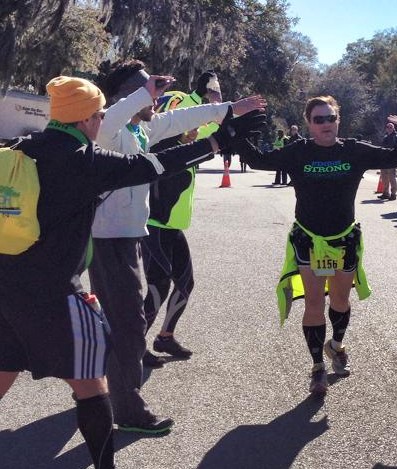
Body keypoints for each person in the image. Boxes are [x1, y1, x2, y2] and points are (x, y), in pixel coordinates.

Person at [0, 75, 248, 468]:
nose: (102, 120)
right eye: (98, 114)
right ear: (85, 120)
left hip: (7, 286)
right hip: (55, 294)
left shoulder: (21, 147)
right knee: (92, 384)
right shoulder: (84, 161)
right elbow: (150, 166)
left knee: (6, 367)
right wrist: (214, 144)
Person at [89, 59, 266, 434]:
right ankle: (127, 408)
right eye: (149, 89)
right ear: (126, 95)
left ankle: (107, 392)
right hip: (108, 242)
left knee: (125, 321)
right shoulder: (106, 130)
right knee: (128, 324)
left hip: (129, 237)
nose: (158, 96)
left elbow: (180, 121)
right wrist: (142, 90)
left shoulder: (139, 130)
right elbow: (107, 118)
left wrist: (230, 110)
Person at [236, 96, 397, 395]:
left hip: (344, 239)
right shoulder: (298, 152)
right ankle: (318, 367)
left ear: (338, 120)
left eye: (330, 118)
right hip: (309, 239)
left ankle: (336, 345)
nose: (325, 124)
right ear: (308, 123)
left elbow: (396, 157)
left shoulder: (354, 150)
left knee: (341, 301)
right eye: (318, 119)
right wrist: (236, 128)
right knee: (315, 303)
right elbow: (257, 160)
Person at [377, 122, 397, 200]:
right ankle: (385, 193)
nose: (389, 128)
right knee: (384, 177)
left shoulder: (396, 137)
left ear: (393, 128)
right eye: (387, 127)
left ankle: (393, 194)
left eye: (390, 127)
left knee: (392, 178)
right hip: (384, 160)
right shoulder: (385, 137)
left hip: (391, 161)